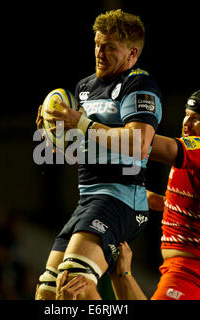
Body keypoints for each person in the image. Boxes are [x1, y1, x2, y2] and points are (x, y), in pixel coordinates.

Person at [55, 88, 200, 300]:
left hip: (194, 273)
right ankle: (121, 276)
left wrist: (85, 125)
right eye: (187, 115)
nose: (187, 123)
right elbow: (165, 202)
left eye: (197, 119)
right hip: (187, 270)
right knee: (117, 275)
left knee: (76, 294)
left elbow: (144, 145)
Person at [35, 9, 163, 300]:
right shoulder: (84, 87)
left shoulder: (139, 85)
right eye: (97, 44)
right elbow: (81, 148)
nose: (99, 52)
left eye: (109, 47)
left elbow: (139, 144)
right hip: (89, 199)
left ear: (132, 54)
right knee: (46, 292)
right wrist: (54, 133)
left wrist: (78, 122)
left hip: (120, 200)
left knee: (74, 287)